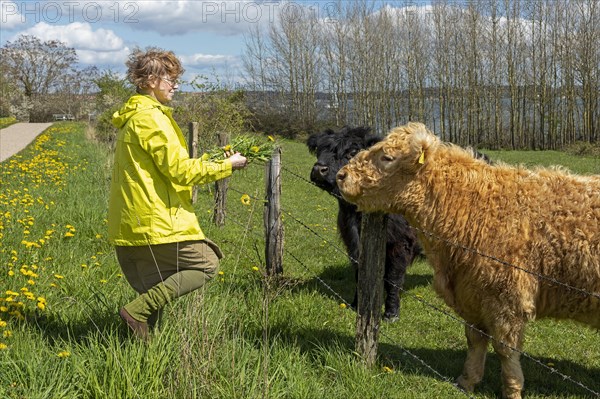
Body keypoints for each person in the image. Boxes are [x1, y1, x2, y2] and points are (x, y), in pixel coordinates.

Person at [107, 48, 248, 340]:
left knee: (154, 287)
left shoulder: (135, 116)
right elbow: (181, 172)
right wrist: (226, 165)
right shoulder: (150, 119)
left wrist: (210, 161)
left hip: (133, 221)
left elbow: (169, 166)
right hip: (154, 220)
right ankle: (135, 312)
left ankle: (141, 357)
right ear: (148, 80)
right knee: (206, 263)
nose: (175, 85)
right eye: (169, 78)